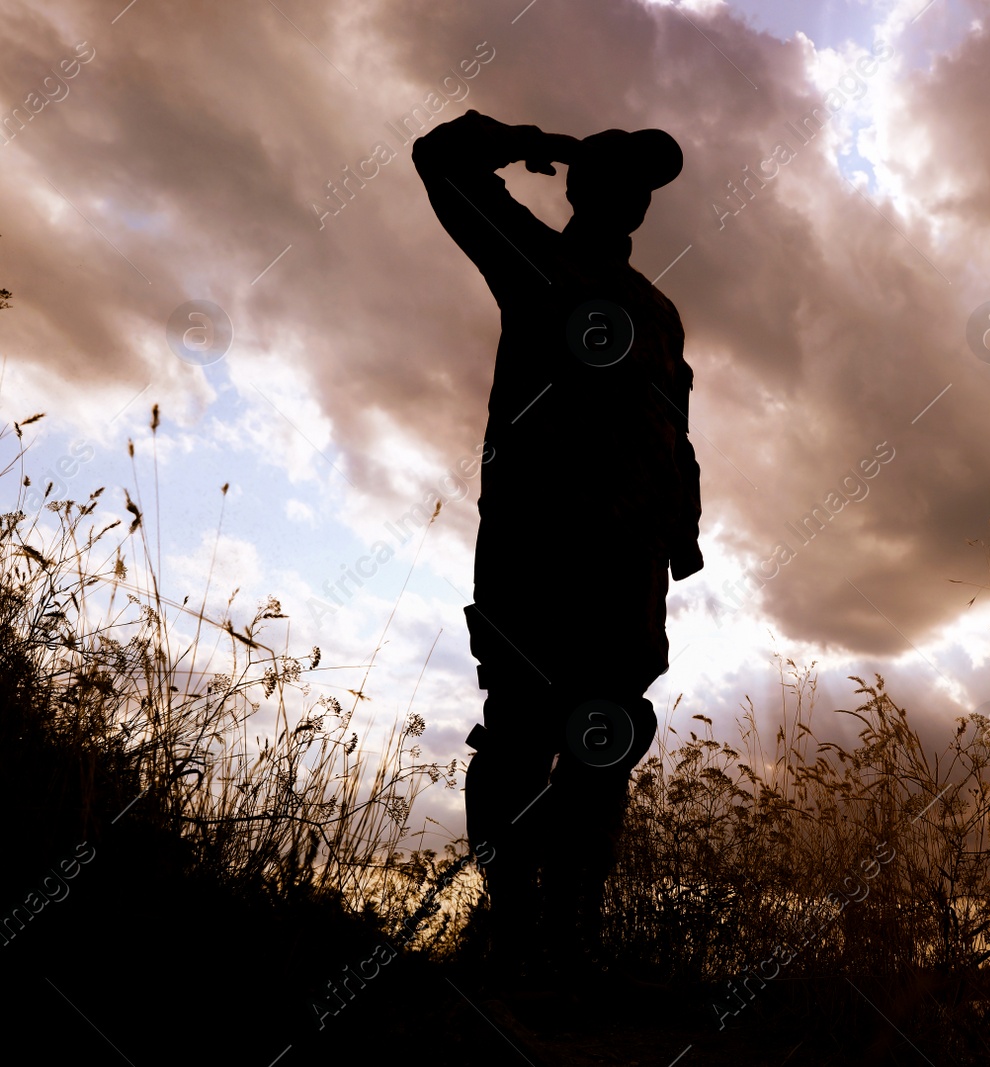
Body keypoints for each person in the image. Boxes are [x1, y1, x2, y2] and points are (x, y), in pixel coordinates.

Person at [412, 110, 702, 988]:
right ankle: (511, 934)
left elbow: (674, 432)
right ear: (581, 186)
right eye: (616, 179)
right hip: (537, 552)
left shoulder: (660, 312)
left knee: (602, 748)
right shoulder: (534, 260)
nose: (634, 200)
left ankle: (573, 942)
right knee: (518, 738)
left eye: (644, 189)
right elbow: (441, 158)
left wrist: (677, 536)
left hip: (628, 570)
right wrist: (542, 140)